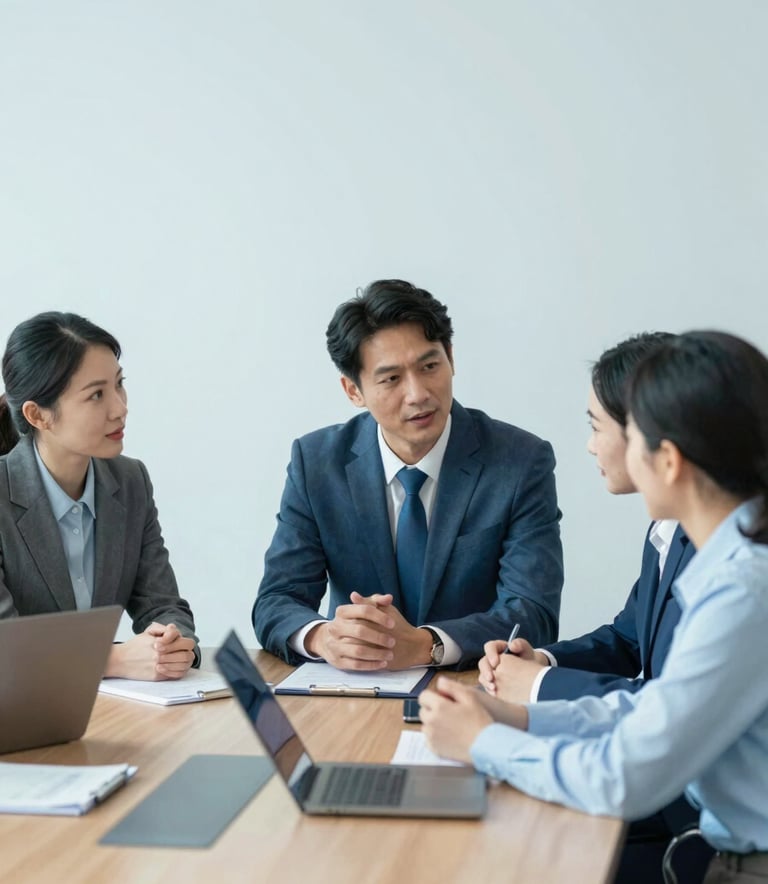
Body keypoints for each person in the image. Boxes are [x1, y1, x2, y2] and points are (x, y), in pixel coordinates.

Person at [420, 330, 768, 884]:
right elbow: (654, 708)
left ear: (669, 460)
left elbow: (624, 776)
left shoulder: (743, 592)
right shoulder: (732, 568)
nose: (596, 447)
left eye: (626, 436)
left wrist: (485, 744)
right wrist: (520, 717)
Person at [477, 331, 712, 883]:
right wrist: (542, 664)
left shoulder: (720, 558)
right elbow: (630, 638)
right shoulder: (669, 529)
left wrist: (529, 697)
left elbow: (662, 707)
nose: (588, 446)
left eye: (594, 426)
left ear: (650, 438)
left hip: (689, 827)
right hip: (660, 792)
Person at [253, 279, 563, 670]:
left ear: (451, 357)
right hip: (354, 691)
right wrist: (323, 637)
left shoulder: (520, 461)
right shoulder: (316, 463)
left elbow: (534, 613)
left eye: (430, 366)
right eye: (391, 379)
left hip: (472, 687)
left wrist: (425, 645)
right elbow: (277, 600)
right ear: (353, 391)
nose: (418, 394)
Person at [0, 311, 199, 680]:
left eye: (119, 384)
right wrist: (114, 661)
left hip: (105, 713)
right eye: (96, 395)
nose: (120, 408)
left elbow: (163, 605)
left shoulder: (130, 480)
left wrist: (170, 643)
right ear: (38, 415)